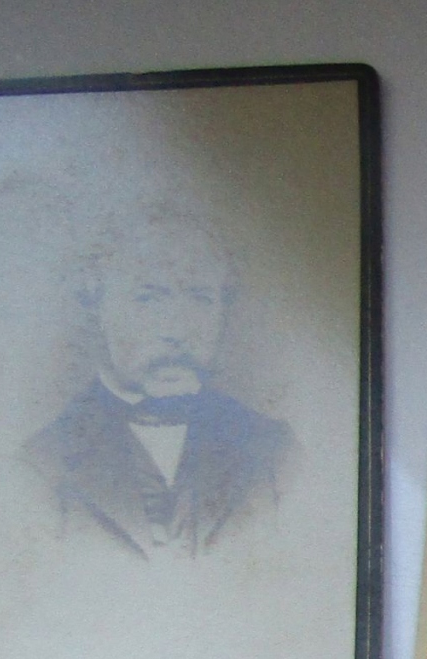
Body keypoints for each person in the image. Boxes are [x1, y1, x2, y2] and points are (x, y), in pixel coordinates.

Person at [23, 208, 293, 557]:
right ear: (97, 307)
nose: (177, 330)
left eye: (200, 298)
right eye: (148, 298)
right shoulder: (41, 466)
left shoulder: (275, 451)